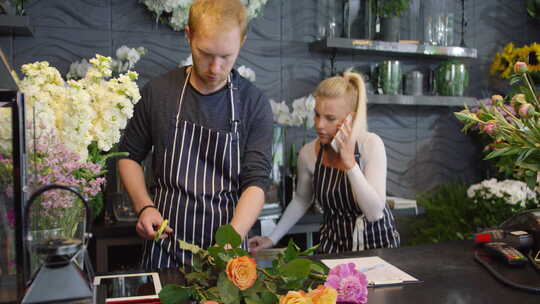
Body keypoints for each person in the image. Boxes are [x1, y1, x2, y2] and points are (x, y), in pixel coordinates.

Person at [118, 0, 272, 270]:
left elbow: (256, 182)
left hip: (228, 254)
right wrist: (144, 207)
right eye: (205, 54)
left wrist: (232, 238)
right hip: (164, 250)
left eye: (226, 56)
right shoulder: (159, 92)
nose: (214, 67)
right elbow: (128, 156)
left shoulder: (253, 103)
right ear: (188, 35)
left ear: (242, 42)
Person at [249, 70, 400, 254]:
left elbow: (375, 213)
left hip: (376, 247)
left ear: (350, 119)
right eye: (317, 115)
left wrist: (350, 164)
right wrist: (271, 238)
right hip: (332, 246)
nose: (319, 125)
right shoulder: (308, 154)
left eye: (330, 118)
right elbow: (302, 199)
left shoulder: (371, 145)